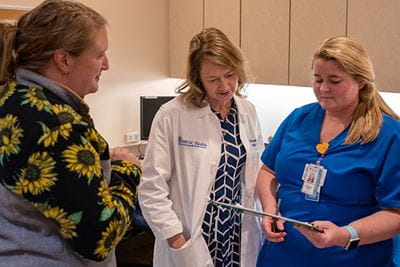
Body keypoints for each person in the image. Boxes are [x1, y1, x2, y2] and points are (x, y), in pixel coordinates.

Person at [0, 0, 141, 266]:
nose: (107, 64)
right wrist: (127, 170)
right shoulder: (56, 127)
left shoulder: (11, 98)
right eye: (99, 55)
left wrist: (92, 162)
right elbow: (99, 238)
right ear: (64, 60)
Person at [256, 36, 400, 266]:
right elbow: (268, 171)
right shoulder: (299, 118)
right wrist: (269, 209)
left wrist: (345, 235)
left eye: (334, 80)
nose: (323, 88)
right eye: (318, 79)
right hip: (284, 255)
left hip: (350, 258)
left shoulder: (389, 136)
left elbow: (396, 214)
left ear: (361, 81)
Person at [138, 27, 264, 267]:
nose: (225, 85)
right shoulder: (172, 115)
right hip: (193, 237)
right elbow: (152, 188)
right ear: (197, 80)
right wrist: (176, 238)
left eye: (230, 74)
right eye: (213, 80)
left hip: (237, 235)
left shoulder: (247, 111)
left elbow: (253, 176)